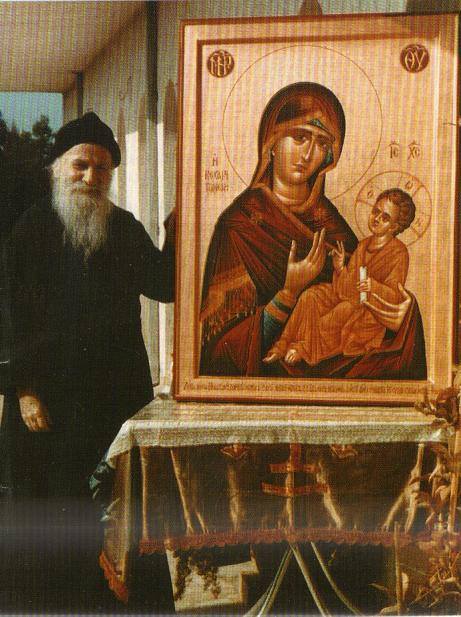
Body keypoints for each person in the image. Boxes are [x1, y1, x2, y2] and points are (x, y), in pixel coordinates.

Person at [1, 112, 176, 612]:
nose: (90, 176)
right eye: (80, 165)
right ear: (57, 167)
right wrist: (23, 389)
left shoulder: (123, 228)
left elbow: (164, 284)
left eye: (102, 168)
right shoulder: (31, 229)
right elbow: (8, 312)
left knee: (116, 511)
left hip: (113, 401)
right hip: (47, 406)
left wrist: (178, 229)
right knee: (53, 513)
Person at [199, 82, 358, 376]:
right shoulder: (239, 225)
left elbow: (360, 309)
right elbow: (222, 348)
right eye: (300, 137)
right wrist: (289, 292)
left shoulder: (334, 229)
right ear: (271, 142)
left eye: (322, 144)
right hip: (266, 371)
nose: (308, 153)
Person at [265, 188, 418, 368]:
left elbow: (395, 295)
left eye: (385, 217)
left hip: (370, 311)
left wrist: (374, 287)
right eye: (376, 211)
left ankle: (304, 348)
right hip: (352, 298)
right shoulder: (363, 245)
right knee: (311, 295)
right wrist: (340, 268)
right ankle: (283, 344)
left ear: (394, 226)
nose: (376, 218)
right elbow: (345, 289)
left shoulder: (399, 253)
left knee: (340, 311)